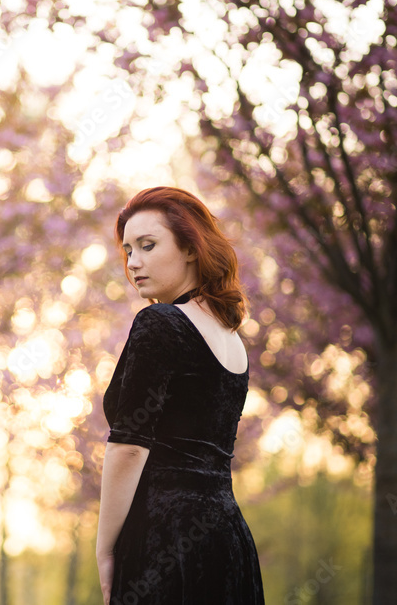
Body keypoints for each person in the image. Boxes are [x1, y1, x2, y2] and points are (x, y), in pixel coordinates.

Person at [96, 186, 266, 604]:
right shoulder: (230, 340)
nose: (134, 262)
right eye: (128, 250)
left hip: (163, 538)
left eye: (148, 246)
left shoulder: (160, 323)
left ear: (191, 248)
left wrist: (105, 548)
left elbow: (129, 448)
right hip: (227, 539)